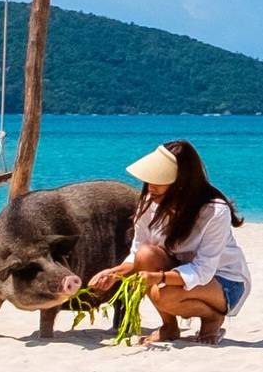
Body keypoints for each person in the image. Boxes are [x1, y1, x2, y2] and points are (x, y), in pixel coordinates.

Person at [89, 140, 250, 345]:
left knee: (163, 295)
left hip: (224, 282)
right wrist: (113, 273)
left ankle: (212, 317)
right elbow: (137, 253)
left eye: (158, 181)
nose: (150, 187)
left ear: (182, 182)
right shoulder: (149, 204)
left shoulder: (214, 211)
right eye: (149, 180)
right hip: (181, 273)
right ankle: (169, 326)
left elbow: (203, 270)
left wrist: (158, 277)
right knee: (146, 255)